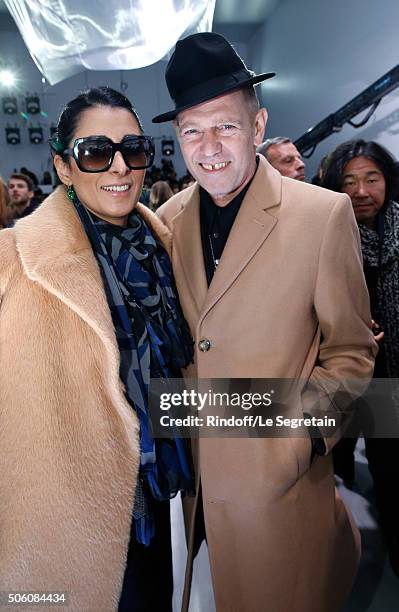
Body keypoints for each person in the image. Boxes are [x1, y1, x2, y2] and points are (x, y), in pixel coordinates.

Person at [153, 32, 377, 612]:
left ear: (257, 127)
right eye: (191, 131)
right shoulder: (167, 221)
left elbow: (351, 352)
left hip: (281, 483)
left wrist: (300, 441)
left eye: (225, 126)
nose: (209, 148)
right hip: (195, 489)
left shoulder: (321, 215)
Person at [0, 87, 194, 612]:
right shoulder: (12, 260)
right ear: (64, 167)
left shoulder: (167, 246)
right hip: (64, 517)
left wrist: (325, 410)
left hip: (161, 495)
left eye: (132, 149)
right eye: (94, 151)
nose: (119, 166)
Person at [322, 139, 399, 576]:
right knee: (338, 466)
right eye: (349, 181)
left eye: (372, 178)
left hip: (392, 380)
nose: (361, 191)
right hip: (344, 381)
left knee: (391, 476)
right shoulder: (325, 238)